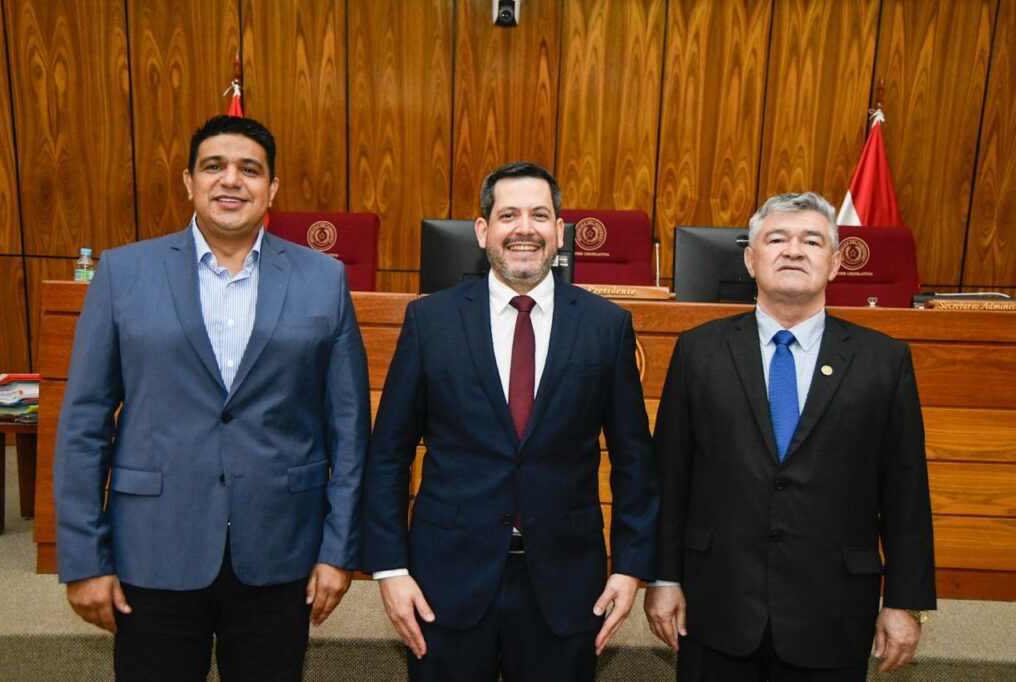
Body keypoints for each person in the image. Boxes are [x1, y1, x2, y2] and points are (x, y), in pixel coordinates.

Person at [54, 115, 370, 681]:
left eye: (249, 169)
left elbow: (348, 426)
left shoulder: (322, 278)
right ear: (188, 181)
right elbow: (84, 422)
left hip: (282, 550)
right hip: (153, 547)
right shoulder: (124, 272)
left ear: (271, 188)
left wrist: (338, 548)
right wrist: (82, 557)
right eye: (213, 167)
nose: (231, 180)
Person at [363, 161, 658, 681]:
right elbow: (389, 453)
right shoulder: (430, 322)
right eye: (509, 215)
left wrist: (631, 566)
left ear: (559, 231)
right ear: (483, 230)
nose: (525, 228)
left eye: (540, 215)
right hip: (444, 584)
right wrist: (390, 569)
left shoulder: (606, 326)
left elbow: (635, 459)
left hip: (566, 587)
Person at [644, 192, 936, 681]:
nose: (794, 251)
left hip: (832, 613)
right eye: (776, 239)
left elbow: (906, 493)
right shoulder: (699, 352)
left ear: (837, 262)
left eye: (812, 241)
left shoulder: (883, 361)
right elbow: (670, 478)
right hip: (716, 607)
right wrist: (664, 577)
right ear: (750, 258)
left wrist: (905, 602)